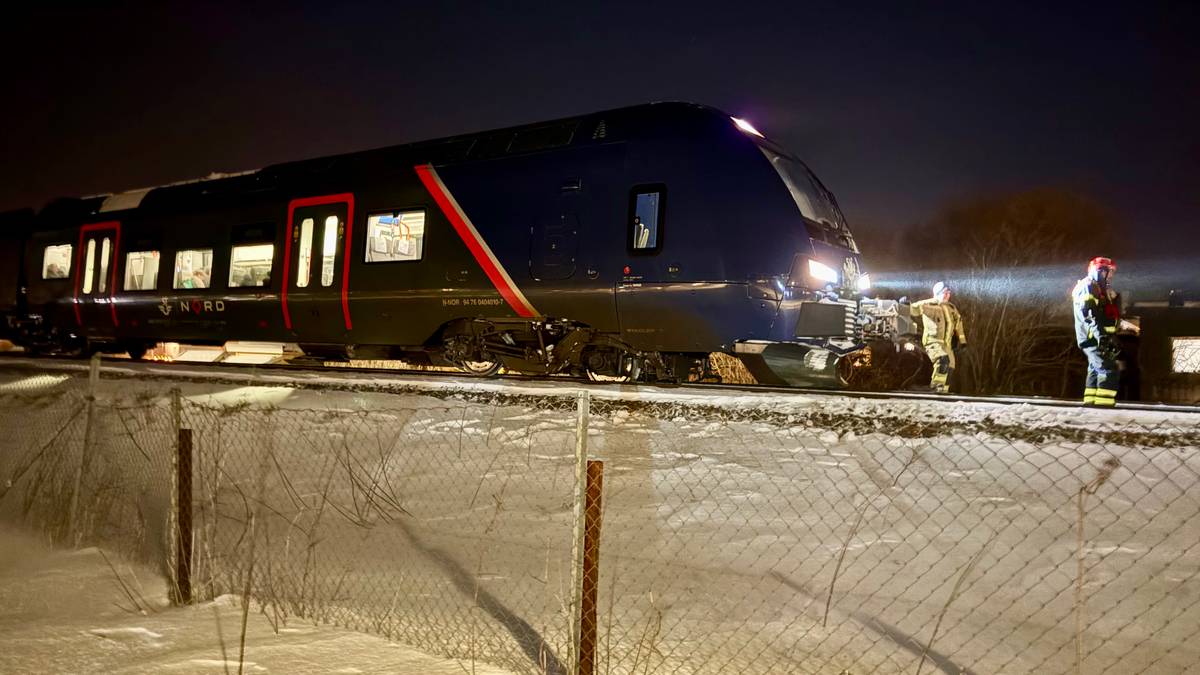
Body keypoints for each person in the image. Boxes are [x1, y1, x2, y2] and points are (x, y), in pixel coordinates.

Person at [1072, 257, 1121, 407]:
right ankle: (1103, 405)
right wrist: (1102, 337)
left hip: (1097, 337)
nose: (1111, 276)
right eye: (1110, 272)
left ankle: (1091, 403)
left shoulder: (1098, 288)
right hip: (1093, 337)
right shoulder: (1088, 286)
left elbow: (1103, 315)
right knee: (1108, 368)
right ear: (1100, 271)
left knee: (1095, 368)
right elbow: (1089, 314)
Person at [909, 281, 968, 393]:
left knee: (950, 365)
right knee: (942, 360)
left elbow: (958, 324)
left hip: (946, 343)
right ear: (938, 293)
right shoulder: (929, 304)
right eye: (945, 292)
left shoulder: (951, 308)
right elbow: (913, 309)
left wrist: (962, 341)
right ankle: (936, 386)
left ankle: (943, 390)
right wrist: (906, 304)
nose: (947, 295)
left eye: (949, 292)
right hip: (933, 341)